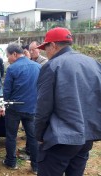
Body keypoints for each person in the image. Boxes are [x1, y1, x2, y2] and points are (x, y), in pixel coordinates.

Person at [35, 27, 101, 176]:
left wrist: (38, 135)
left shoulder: (52, 66)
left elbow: (43, 108)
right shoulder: (93, 63)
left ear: (53, 45)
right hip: (86, 137)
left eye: (46, 47)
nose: (45, 52)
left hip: (61, 139)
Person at [1, 43, 40, 175]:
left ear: (14, 54)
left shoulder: (12, 69)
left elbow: (6, 91)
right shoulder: (38, 66)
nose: (8, 59)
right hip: (32, 108)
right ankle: (36, 166)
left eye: (8, 56)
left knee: (11, 136)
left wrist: (5, 104)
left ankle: (11, 162)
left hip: (15, 108)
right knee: (33, 137)